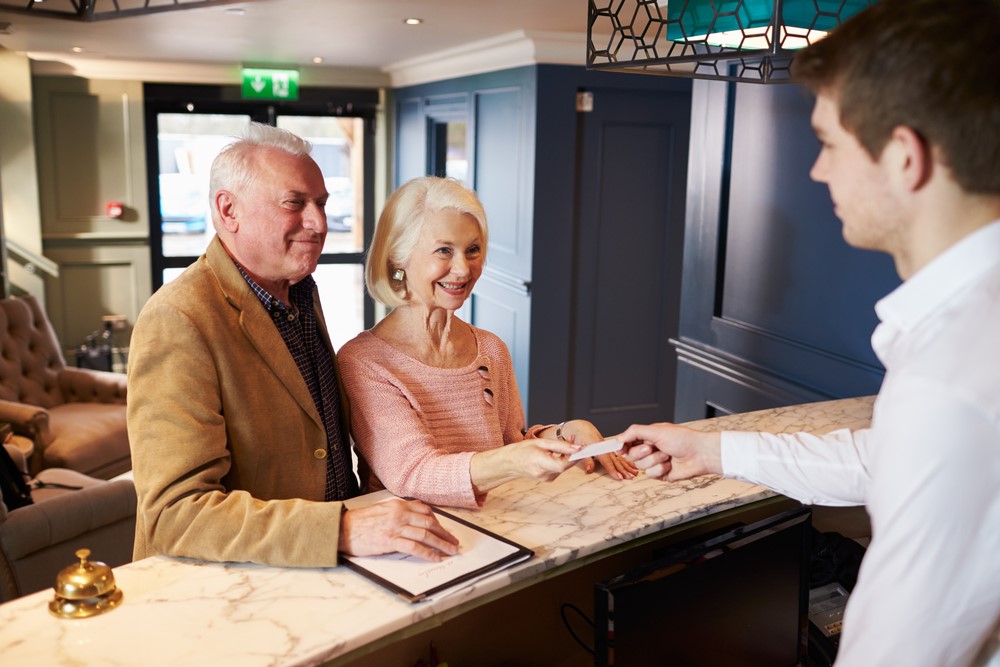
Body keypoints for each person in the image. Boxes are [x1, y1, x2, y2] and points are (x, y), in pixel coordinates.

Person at [618, 1, 1000, 664]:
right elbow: (878, 458)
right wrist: (711, 451)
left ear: (904, 158)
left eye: (827, 143)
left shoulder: (948, 378)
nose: (817, 170)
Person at [127, 123, 458, 566]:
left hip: (326, 566)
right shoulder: (177, 318)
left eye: (321, 203)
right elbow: (175, 515)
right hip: (234, 585)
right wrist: (340, 529)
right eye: (294, 203)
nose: (319, 223)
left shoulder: (298, 289)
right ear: (229, 211)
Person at [338, 176, 638, 510]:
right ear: (398, 257)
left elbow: (512, 444)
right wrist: (511, 461)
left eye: (472, 250)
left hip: (497, 523)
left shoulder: (490, 348)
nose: (463, 269)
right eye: (444, 251)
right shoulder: (363, 361)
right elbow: (412, 473)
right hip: (413, 540)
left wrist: (565, 432)